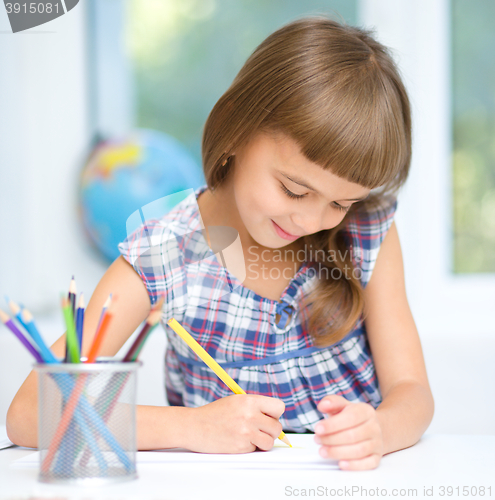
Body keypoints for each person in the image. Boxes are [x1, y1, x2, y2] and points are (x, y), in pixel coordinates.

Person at [7, 16, 434, 470]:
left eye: (340, 202)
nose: (311, 220)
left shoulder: (366, 232)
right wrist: (190, 427)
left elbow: (413, 393)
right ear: (236, 133)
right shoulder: (164, 254)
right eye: (294, 189)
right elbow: (29, 413)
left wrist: (380, 430)